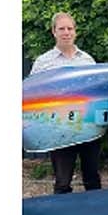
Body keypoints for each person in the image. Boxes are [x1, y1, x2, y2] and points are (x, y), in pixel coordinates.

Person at [30, 10, 101, 193]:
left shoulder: (87, 60)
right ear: (54, 31)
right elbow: (31, 95)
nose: (66, 32)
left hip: (88, 127)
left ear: (75, 31)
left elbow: (97, 92)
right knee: (62, 182)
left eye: (70, 28)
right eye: (62, 28)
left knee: (92, 178)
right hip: (58, 129)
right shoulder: (43, 63)